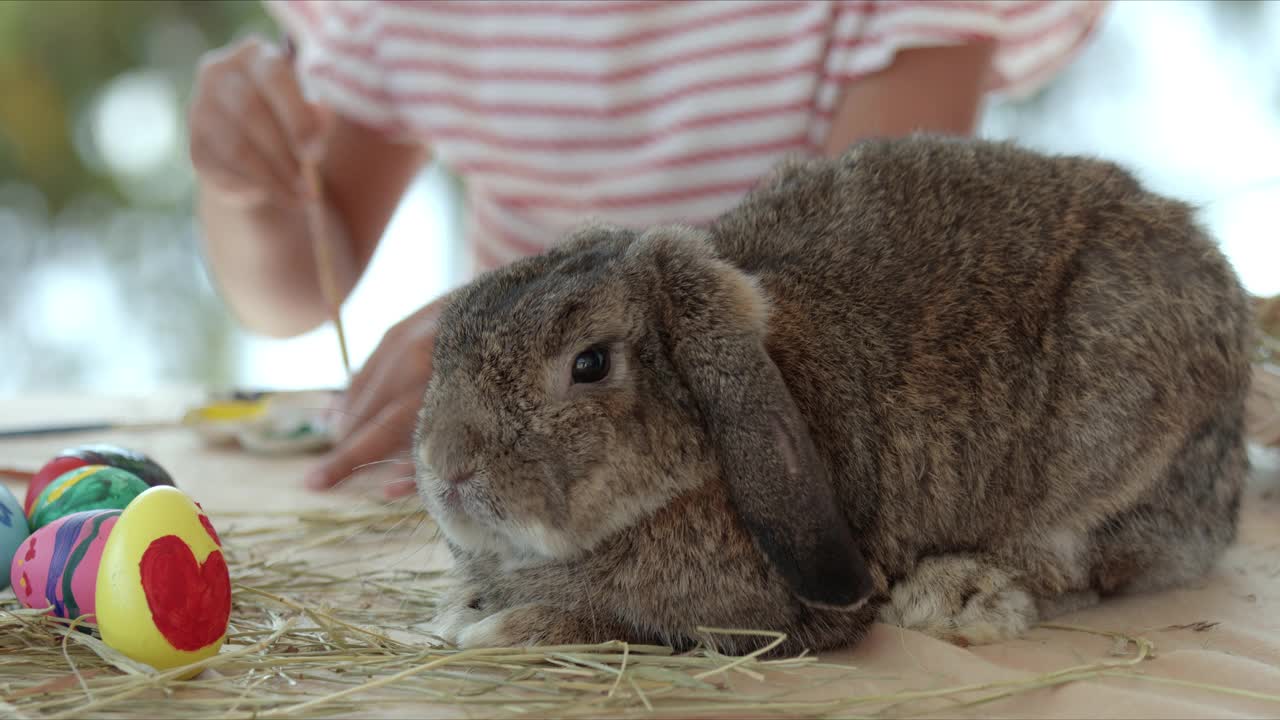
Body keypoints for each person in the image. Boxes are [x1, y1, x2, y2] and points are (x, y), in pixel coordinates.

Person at [189, 0, 1107, 498]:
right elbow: (294, 290)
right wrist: (245, 184)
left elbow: (862, 286)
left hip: (792, 466)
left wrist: (509, 340)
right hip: (532, 484)